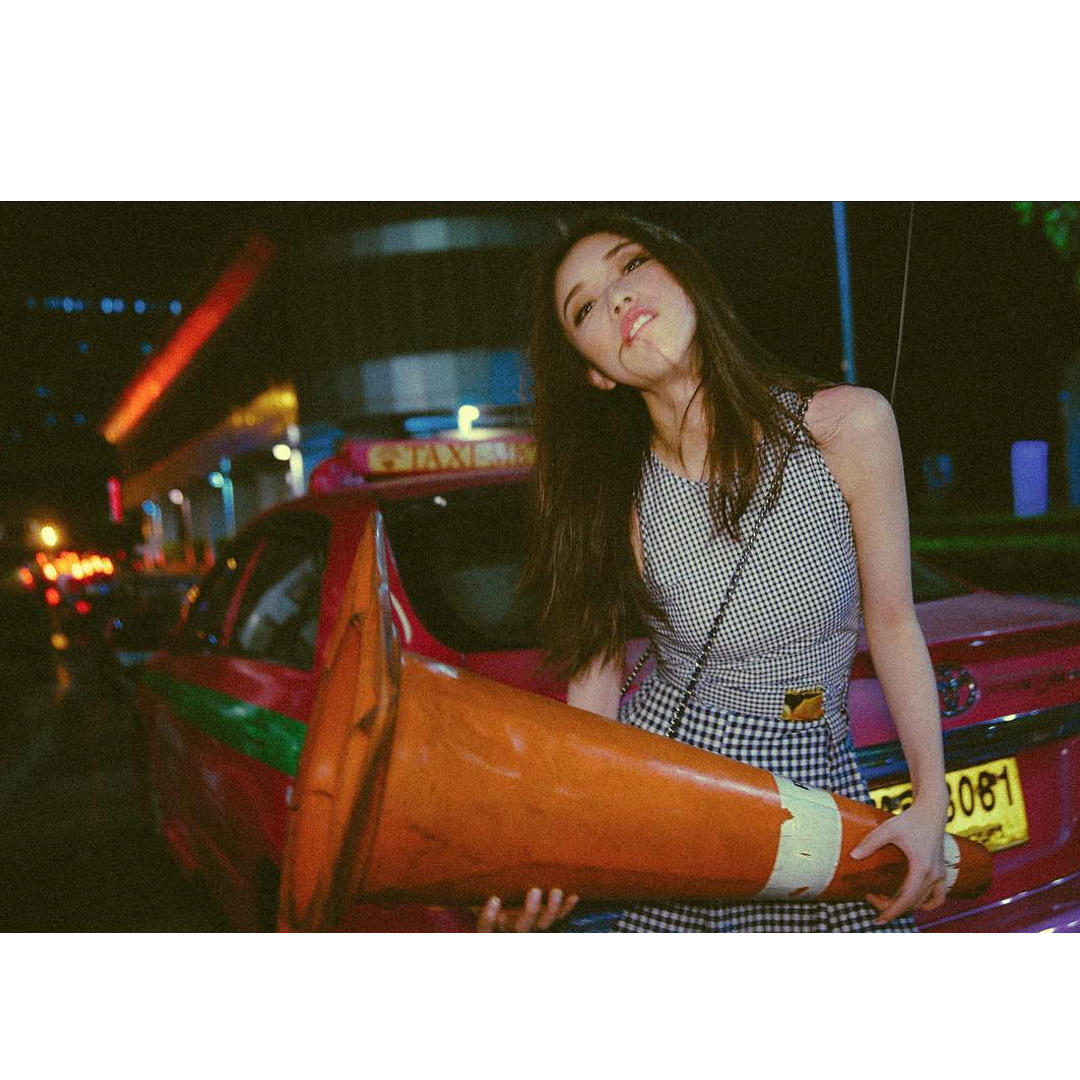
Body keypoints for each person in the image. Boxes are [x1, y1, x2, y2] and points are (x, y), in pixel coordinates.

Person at [477, 212, 948, 933]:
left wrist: (930, 804)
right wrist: (560, 840)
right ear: (595, 372)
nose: (617, 297)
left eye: (631, 265)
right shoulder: (614, 495)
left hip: (812, 754)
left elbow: (892, 622)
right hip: (671, 782)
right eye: (585, 307)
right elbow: (595, 681)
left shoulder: (847, 427)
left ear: (685, 277)